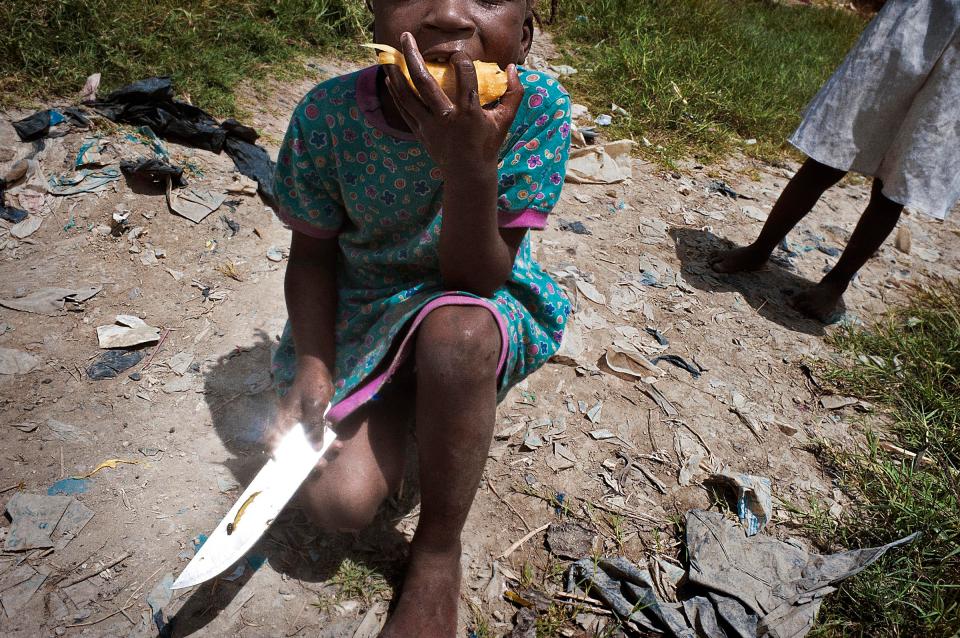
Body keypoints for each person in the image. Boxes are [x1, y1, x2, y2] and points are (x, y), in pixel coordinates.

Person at [269, 0, 571, 634]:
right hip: (365, 310)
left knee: (456, 336)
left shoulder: (537, 108)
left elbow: (476, 277)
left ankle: (438, 551)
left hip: (478, 298)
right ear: (374, 14)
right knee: (338, 505)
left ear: (524, 32)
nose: (450, 15)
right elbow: (313, 260)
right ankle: (406, 391)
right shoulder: (326, 116)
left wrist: (469, 169)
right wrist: (314, 365)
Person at [711, 0, 960, 322]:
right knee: (833, 147)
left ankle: (836, 282)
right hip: (920, 16)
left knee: (896, 182)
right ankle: (761, 248)